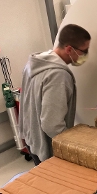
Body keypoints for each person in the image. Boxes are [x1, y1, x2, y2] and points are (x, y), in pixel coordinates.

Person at [19, 23, 91, 165]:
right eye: (84, 51)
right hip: (45, 145)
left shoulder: (36, 61)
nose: (86, 55)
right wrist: (73, 147)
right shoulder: (58, 75)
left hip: (31, 137)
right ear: (69, 49)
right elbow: (51, 125)